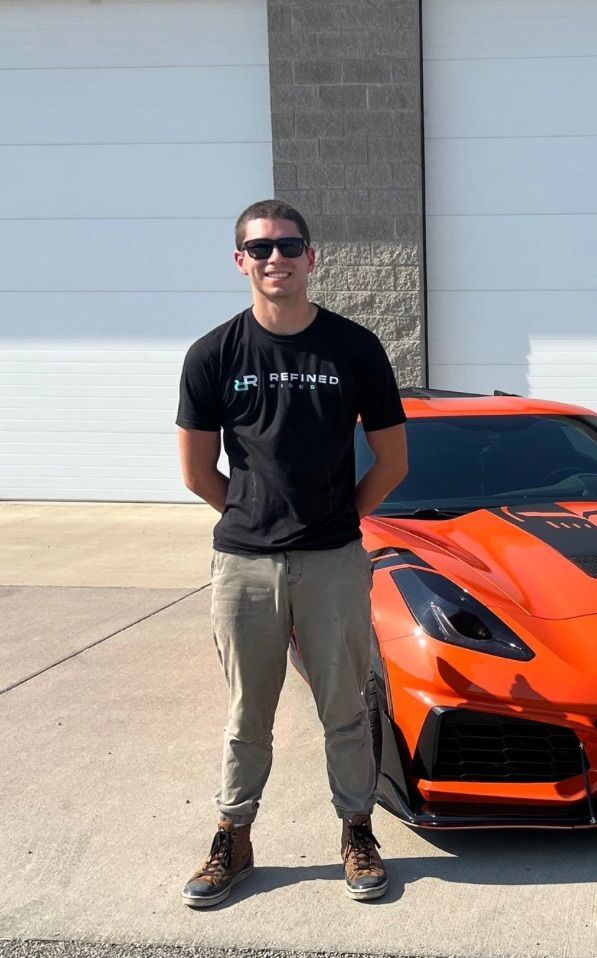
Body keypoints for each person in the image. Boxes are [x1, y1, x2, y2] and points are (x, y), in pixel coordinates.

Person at [175, 199, 408, 907]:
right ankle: (234, 836)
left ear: (311, 257)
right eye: (260, 248)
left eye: (288, 245)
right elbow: (197, 472)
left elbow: (393, 461)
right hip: (244, 566)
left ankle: (358, 832)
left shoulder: (354, 347)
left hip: (333, 560)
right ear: (239, 260)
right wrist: (254, 520)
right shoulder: (213, 354)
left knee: (345, 707)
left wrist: (337, 522)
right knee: (248, 713)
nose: (274, 258)